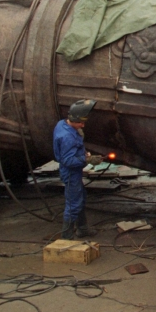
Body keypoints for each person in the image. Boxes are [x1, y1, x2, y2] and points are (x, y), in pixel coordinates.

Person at [52, 99, 101, 240]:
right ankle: (66, 237)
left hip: (73, 172)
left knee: (80, 198)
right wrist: (87, 159)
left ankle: (82, 229)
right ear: (73, 119)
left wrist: (81, 153)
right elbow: (67, 160)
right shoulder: (68, 137)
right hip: (70, 173)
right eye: (80, 123)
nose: (83, 125)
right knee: (73, 203)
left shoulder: (62, 124)